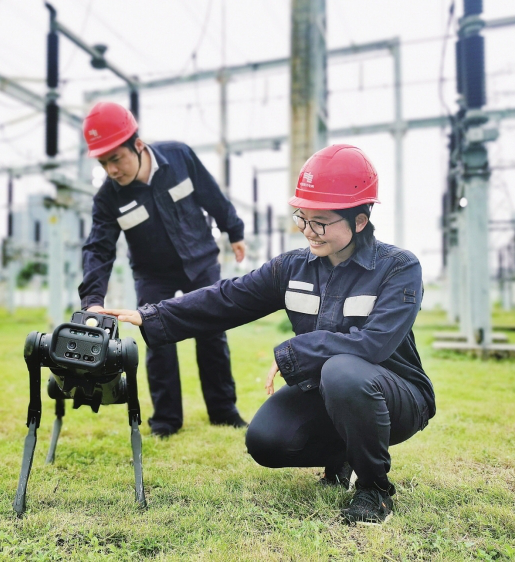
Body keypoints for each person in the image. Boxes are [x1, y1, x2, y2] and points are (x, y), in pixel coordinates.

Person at [102, 144, 435, 525]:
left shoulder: (398, 268)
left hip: (397, 397)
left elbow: (373, 343)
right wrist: (152, 315)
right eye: (301, 218)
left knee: (341, 370)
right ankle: (339, 458)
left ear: (360, 220)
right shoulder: (293, 268)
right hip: (331, 394)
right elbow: (227, 299)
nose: (308, 231)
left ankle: (375, 490)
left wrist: (295, 351)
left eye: (320, 222)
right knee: (267, 440)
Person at [78, 101, 248, 438]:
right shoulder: (108, 199)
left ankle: (223, 411)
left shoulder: (179, 157)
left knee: (212, 335)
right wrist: (92, 300)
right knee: (157, 338)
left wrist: (235, 231)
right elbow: (99, 248)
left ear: (138, 146)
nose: (111, 169)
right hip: (152, 274)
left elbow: (212, 194)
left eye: (116, 158)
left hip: (200, 262)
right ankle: (167, 420)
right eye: (103, 162)